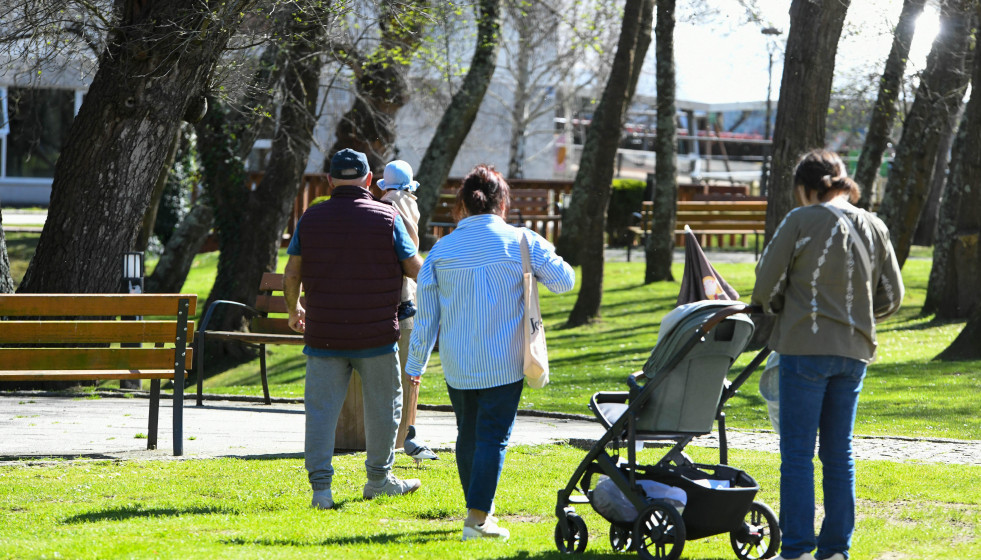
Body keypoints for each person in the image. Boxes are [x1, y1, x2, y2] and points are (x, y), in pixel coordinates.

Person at [405, 164, 576, 541]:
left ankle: (478, 512)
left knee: (468, 433)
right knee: (492, 437)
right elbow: (565, 281)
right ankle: (477, 521)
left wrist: (415, 363)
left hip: (458, 360)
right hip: (504, 360)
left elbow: (426, 315)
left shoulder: (441, 249)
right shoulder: (521, 241)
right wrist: (538, 250)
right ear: (502, 203)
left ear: (462, 205)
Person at [752, 149, 904, 560]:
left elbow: (766, 286)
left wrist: (781, 306)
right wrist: (855, 316)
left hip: (804, 348)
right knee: (839, 453)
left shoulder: (800, 220)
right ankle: (836, 550)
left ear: (804, 187)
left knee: (798, 454)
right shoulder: (875, 225)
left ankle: (799, 548)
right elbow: (893, 296)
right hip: (854, 352)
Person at [284, 148, 424, 510]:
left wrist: (293, 308)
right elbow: (413, 268)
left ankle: (321, 490)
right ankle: (379, 480)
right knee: (384, 407)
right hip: (375, 336)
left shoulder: (310, 219)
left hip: (324, 334)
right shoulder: (387, 216)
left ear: (329, 181)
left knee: (320, 411)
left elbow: (292, 272)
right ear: (367, 180)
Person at [376, 159, 422, 446]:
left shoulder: (386, 205)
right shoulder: (411, 204)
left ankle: (392, 435)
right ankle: (405, 432)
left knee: (390, 372)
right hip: (409, 296)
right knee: (406, 368)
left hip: (390, 294)